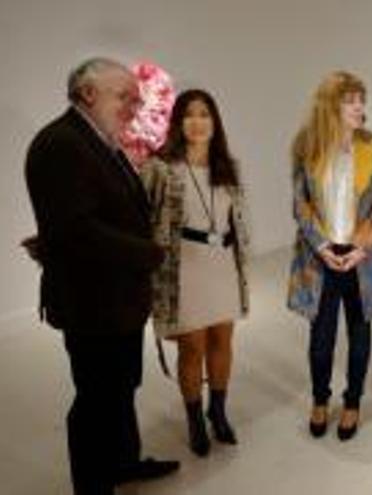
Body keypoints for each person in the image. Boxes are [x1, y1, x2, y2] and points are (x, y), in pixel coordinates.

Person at [23, 57, 179, 495]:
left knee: (121, 387)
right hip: (92, 302)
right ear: (88, 94)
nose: (135, 106)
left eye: (136, 96)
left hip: (117, 298)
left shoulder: (97, 140)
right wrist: (151, 253)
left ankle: (123, 463)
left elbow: (85, 215)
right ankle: (94, 485)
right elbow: (78, 230)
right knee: (95, 400)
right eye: (124, 96)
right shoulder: (61, 143)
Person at [140, 89, 251, 457]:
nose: (198, 121)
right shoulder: (160, 167)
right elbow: (141, 217)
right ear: (177, 122)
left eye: (205, 114)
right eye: (189, 114)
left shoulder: (227, 166)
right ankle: (194, 420)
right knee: (192, 349)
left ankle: (217, 412)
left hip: (222, 265)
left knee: (222, 342)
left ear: (215, 122)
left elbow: (237, 219)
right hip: (183, 267)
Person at [288, 71, 372, 442]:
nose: (359, 107)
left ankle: (353, 403)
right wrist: (320, 246)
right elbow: (300, 203)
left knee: (359, 332)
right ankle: (320, 400)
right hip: (321, 255)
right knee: (321, 338)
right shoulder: (306, 146)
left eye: (361, 100)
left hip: (361, 255)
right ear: (329, 106)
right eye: (350, 101)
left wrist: (362, 247)